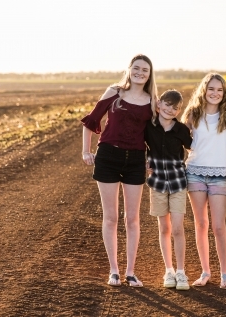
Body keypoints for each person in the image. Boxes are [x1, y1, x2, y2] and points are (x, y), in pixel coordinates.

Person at [81, 54, 157, 287]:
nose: (140, 73)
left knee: (132, 219)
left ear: (149, 73)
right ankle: (114, 270)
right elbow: (92, 121)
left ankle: (130, 272)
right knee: (111, 217)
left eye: (145, 70)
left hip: (135, 160)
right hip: (108, 156)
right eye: (136, 68)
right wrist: (86, 151)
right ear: (129, 69)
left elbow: (153, 134)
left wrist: (151, 158)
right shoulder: (114, 92)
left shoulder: (152, 100)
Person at [181, 73, 226, 289]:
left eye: (219, 90)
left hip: (219, 174)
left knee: (219, 226)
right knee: (201, 224)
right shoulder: (193, 114)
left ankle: (225, 274)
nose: (215, 93)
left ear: (224, 94)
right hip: (194, 171)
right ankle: (205, 272)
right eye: (211, 89)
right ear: (204, 90)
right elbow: (180, 141)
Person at [145, 90, 193, 290]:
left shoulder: (181, 130)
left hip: (178, 183)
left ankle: (181, 272)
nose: (169, 109)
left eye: (175, 107)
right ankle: (169, 270)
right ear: (158, 104)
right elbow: (139, 146)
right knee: (163, 228)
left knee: (177, 228)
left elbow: (194, 148)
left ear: (179, 110)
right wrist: (145, 162)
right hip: (157, 183)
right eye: (166, 104)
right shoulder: (149, 127)